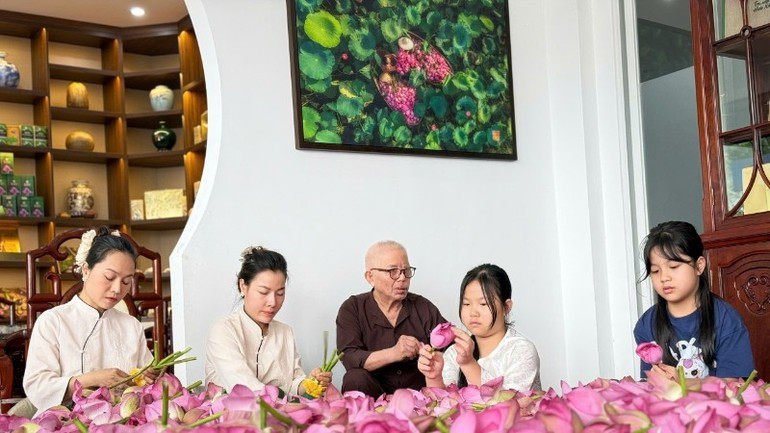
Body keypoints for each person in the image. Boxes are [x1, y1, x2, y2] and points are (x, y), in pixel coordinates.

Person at [23, 227, 158, 416]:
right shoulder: (53, 321)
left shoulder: (131, 325)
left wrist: (148, 377)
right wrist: (91, 379)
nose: (117, 289)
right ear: (86, 270)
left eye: (127, 281)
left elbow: (146, 382)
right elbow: (37, 387)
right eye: (109, 277)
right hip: (66, 421)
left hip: (123, 422)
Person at [633, 221, 755, 379]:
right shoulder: (646, 325)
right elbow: (649, 384)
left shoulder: (726, 320)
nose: (664, 277)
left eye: (674, 267)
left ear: (699, 266)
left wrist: (685, 385)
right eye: (655, 271)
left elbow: (735, 388)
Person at [205, 246, 331, 395]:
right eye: (263, 292)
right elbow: (243, 386)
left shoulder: (285, 332)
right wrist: (282, 406)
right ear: (243, 286)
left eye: (280, 293)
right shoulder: (223, 330)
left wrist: (311, 382)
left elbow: (292, 384)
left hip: (280, 413)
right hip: (233, 414)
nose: (272, 302)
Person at [336, 240, 446, 397]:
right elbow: (349, 357)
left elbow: (448, 346)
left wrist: (432, 356)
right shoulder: (353, 308)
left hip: (418, 397)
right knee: (354, 378)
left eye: (406, 271)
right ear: (370, 277)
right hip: (374, 395)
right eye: (393, 271)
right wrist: (394, 353)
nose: (402, 278)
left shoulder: (422, 306)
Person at [417, 264, 541, 391]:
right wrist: (434, 377)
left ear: (506, 307)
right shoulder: (454, 352)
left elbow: (509, 404)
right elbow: (444, 406)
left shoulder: (521, 351)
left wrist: (468, 363)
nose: (473, 313)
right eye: (466, 303)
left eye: (483, 304)